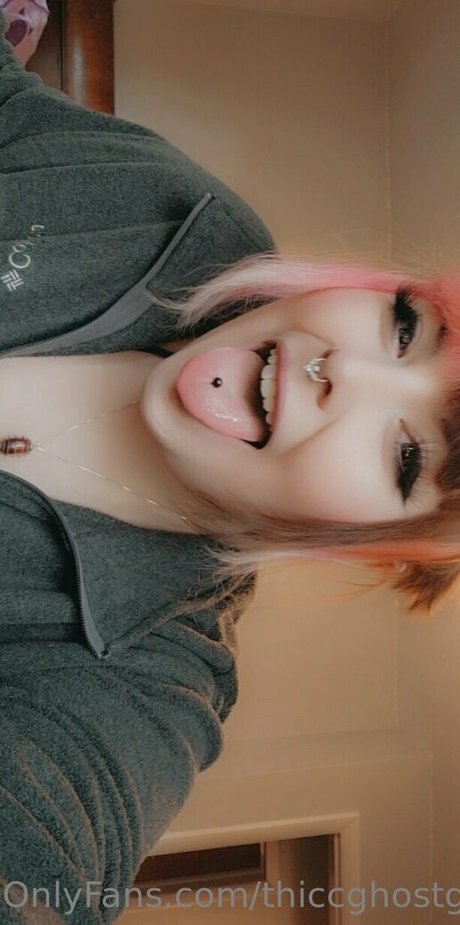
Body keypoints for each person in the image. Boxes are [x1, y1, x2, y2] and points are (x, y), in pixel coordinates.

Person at [0, 6, 459, 923]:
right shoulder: (180, 220)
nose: (345, 372)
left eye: (409, 453)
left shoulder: (154, 679)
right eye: (405, 329)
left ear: (370, 538)